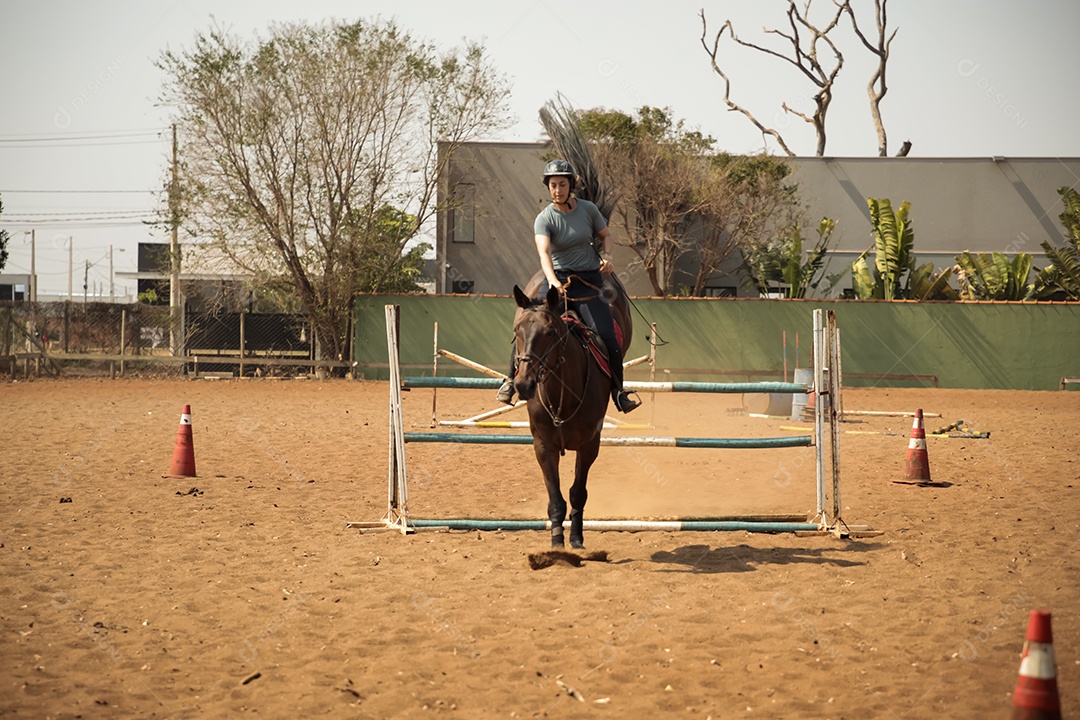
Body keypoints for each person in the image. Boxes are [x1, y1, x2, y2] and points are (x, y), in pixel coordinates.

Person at [497, 159, 641, 413]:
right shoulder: (544, 218)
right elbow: (544, 253)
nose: (557, 190)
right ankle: (510, 380)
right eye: (552, 185)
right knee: (530, 324)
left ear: (570, 185)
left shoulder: (588, 210)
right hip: (556, 280)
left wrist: (608, 257)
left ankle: (619, 392)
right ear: (548, 188)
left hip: (588, 282)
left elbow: (606, 236)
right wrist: (553, 282)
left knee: (608, 336)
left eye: (562, 184)